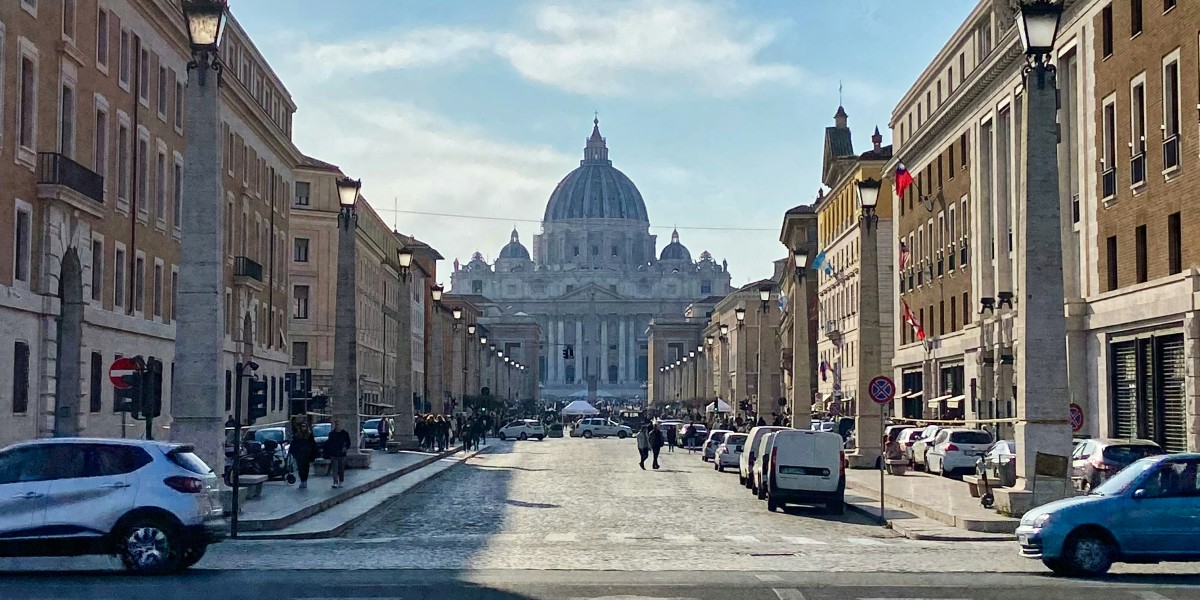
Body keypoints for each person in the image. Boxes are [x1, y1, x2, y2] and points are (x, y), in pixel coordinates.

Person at [288, 421, 319, 490]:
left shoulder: (309, 435)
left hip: (307, 455)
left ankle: (305, 481)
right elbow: (294, 444)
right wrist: (292, 452)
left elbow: (313, 445)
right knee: (300, 468)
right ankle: (302, 480)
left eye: (304, 426)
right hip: (299, 455)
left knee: (306, 468)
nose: (303, 427)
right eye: (302, 426)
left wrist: (313, 454)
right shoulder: (297, 435)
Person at [325, 420, 351, 489]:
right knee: (335, 469)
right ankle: (335, 482)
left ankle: (341, 481)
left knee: (341, 469)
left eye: (338, 424)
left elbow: (348, 443)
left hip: (342, 454)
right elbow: (329, 443)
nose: (337, 426)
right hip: (334, 454)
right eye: (336, 424)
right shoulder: (331, 434)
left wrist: (345, 448)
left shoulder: (344, 433)